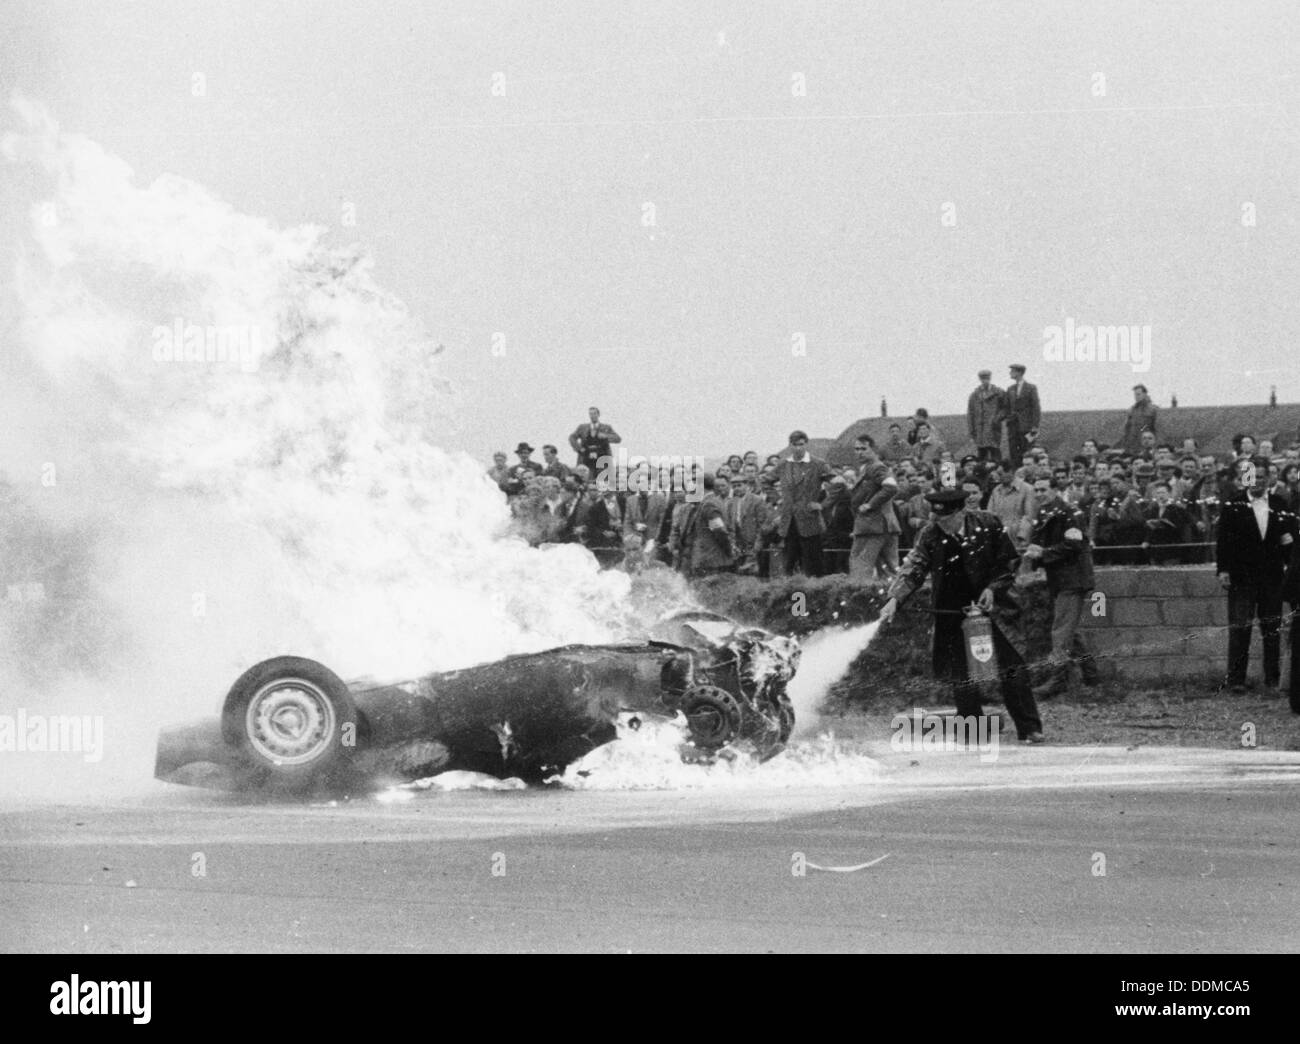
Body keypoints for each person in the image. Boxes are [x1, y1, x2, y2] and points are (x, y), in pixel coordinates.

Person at [878, 484, 1045, 743]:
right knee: (961, 674)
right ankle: (973, 730)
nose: (940, 523)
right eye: (936, 518)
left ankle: (1030, 728)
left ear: (960, 512)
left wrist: (993, 588)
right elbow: (915, 567)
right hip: (951, 610)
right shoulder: (930, 534)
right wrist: (894, 599)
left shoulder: (988, 524)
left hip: (991, 609)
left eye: (945, 518)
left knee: (1012, 667)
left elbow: (1008, 561)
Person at [1216, 458, 1296, 693]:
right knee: (1240, 628)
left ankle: (1272, 679)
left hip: (1271, 577)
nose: (1256, 481)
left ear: (1269, 478)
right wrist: (1223, 570)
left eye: (1260, 476)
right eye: (1250, 476)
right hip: (1242, 577)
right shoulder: (1234, 505)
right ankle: (1237, 680)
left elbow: (1288, 539)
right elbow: (1224, 541)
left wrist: (1288, 564)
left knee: (1271, 629)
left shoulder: (1280, 503)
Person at [1024, 476, 1100, 698]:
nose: (1039, 494)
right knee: (1069, 630)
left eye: (1043, 489)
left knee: (1060, 630)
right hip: (1060, 579)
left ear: (1055, 490)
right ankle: (1091, 674)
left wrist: (1043, 554)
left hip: (1072, 579)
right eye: (1036, 490)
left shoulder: (1068, 513)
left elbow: (1074, 544)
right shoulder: (1046, 513)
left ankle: (1058, 680)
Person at [777, 430, 833, 577]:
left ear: (806, 444)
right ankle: (791, 593)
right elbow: (765, 481)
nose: (798, 448)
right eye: (795, 445)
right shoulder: (784, 464)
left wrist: (822, 504)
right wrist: (778, 498)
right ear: (790, 446)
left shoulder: (818, 464)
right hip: (789, 520)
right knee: (789, 563)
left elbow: (838, 485)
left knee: (813, 563)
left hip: (809, 519)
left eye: (801, 444)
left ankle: (815, 592)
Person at [848, 435, 900, 581]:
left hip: (872, 527)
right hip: (883, 526)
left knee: (860, 571)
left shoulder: (876, 467)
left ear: (873, 449)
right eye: (857, 449)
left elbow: (891, 487)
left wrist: (870, 504)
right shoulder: (867, 468)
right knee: (890, 575)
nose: (859, 452)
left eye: (864, 448)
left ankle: (860, 602)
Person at [1003, 363, 1041, 463]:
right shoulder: (1010, 389)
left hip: (1027, 426)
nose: (1010, 373)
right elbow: (1007, 407)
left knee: (1027, 450)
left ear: (1019, 373)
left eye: (1012, 371)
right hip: (1013, 426)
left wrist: (1035, 426)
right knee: (1014, 451)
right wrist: (1008, 418)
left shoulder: (1031, 388)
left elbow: (1035, 408)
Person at [967, 369, 1006, 463]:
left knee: (995, 453)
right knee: (981, 455)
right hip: (979, 430)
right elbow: (970, 414)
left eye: (987, 378)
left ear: (990, 378)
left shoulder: (999, 392)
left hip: (993, 428)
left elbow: (1006, 408)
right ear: (980, 379)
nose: (985, 381)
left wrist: (997, 419)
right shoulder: (974, 395)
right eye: (982, 379)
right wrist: (972, 431)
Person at [568, 406, 622, 472]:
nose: (592, 416)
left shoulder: (606, 427)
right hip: (585, 458)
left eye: (594, 413)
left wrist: (606, 436)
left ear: (598, 414)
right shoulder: (582, 427)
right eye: (590, 414)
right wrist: (579, 448)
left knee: (602, 480)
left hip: (602, 458)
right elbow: (572, 437)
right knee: (584, 477)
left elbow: (618, 439)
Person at [1121, 384, 1158, 456]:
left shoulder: (1153, 409)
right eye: (1135, 395)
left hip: (1147, 442)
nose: (1136, 397)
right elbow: (1126, 428)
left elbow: (1156, 428)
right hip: (1133, 444)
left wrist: (1142, 430)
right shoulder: (1131, 410)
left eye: (1138, 394)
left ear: (1145, 394)